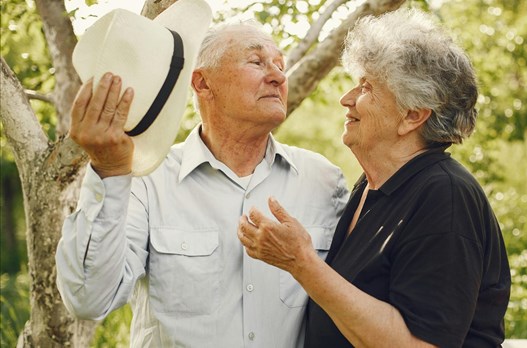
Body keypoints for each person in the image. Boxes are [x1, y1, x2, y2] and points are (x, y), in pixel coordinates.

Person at [55, 19, 348, 348]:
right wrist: (108, 170)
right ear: (203, 84)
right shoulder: (145, 180)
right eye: (256, 61)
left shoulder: (324, 181)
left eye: (280, 64)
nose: (279, 76)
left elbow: (355, 302)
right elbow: (88, 299)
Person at [238, 8, 511, 348]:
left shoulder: (445, 196)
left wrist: (302, 263)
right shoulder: (372, 186)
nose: (346, 99)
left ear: (412, 115)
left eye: (366, 87)